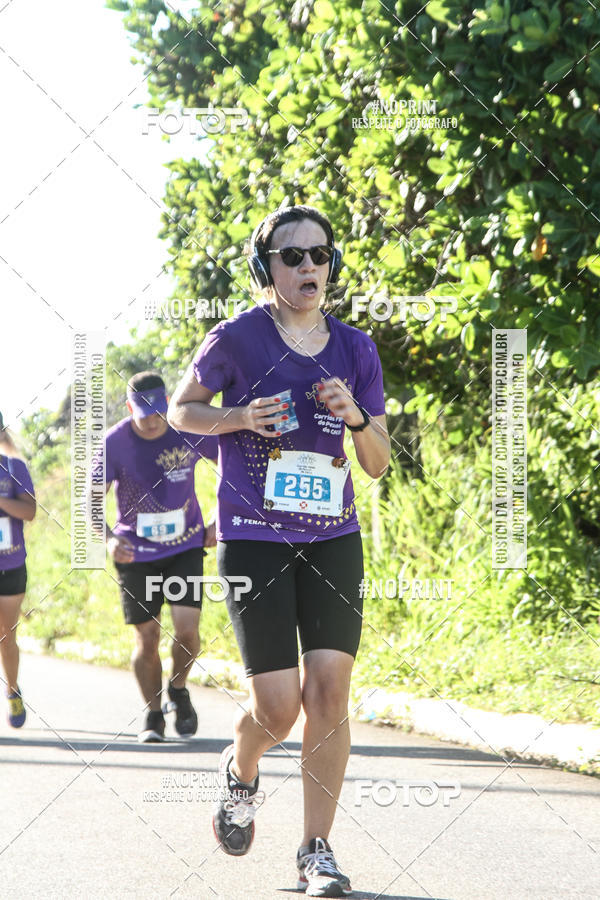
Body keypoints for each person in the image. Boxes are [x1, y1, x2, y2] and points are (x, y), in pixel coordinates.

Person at [168, 205, 390, 897]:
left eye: (320, 255)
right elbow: (181, 409)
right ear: (267, 269)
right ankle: (241, 770)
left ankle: (315, 850)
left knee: (329, 692)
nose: (308, 267)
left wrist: (356, 417)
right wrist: (238, 416)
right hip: (254, 538)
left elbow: (378, 462)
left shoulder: (355, 349)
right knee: (278, 709)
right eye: (292, 256)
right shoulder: (236, 337)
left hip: (333, 537)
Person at [91, 372, 218, 743]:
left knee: (187, 632)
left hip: (185, 545)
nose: (152, 421)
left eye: (159, 412)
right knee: (147, 639)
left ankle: (178, 688)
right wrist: (109, 540)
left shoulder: (187, 427)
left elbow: (232, 463)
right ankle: (153, 714)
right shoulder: (115, 442)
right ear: (129, 408)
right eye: (144, 414)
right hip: (135, 552)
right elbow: (91, 500)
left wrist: (219, 517)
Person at [0, 411, 37, 728]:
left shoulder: (14, 467)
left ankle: (12, 690)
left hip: (11, 564)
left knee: (6, 635)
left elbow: (30, 511)